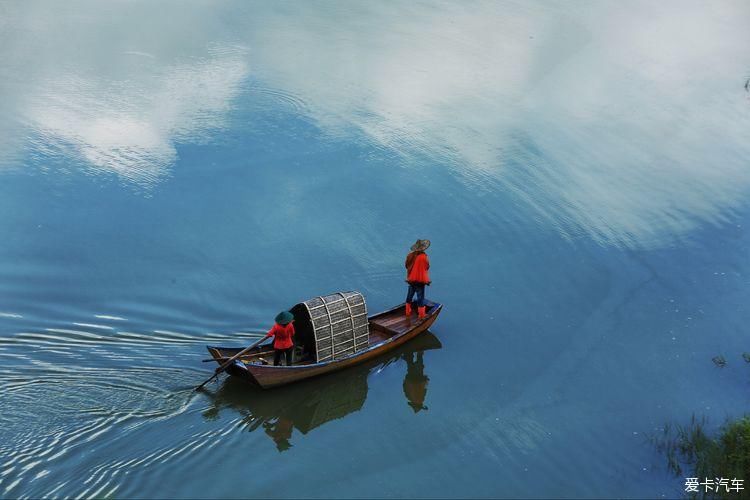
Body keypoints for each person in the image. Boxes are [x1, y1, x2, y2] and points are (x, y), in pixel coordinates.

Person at [404, 239, 431, 319]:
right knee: (420, 298)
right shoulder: (424, 257)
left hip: (411, 279)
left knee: (409, 296)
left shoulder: (410, 255)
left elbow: (406, 265)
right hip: (420, 280)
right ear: (423, 248)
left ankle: (407, 312)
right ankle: (421, 315)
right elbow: (427, 267)